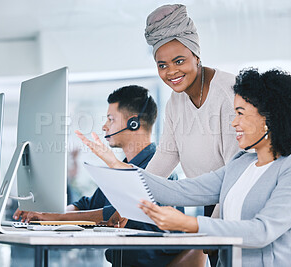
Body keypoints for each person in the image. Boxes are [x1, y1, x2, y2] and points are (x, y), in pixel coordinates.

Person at [77, 4, 239, 265]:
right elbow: (165, 158)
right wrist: (130, 206)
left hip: (236, 203)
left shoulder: (228, 92)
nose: (171, 72)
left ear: (196, 55)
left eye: (179, 61)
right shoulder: (175, 102)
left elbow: (237, 171)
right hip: (210, 202)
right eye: (162, 65)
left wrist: (212, 228)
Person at [135, 68, 291, 266]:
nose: (234, 123)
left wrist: (190, 224)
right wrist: (122, 170)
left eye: (240, 113)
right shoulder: (242, 163)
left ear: (270, 118)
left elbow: (262, 232)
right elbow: (182, 191)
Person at [14, 85, 182, 267]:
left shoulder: (160, 169)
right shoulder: (123, 168)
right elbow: (87, 205)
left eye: (110, 119)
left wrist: (52, 217)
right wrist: (43, 212)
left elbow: (116, 215)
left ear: (133, 123)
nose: (104, 126)